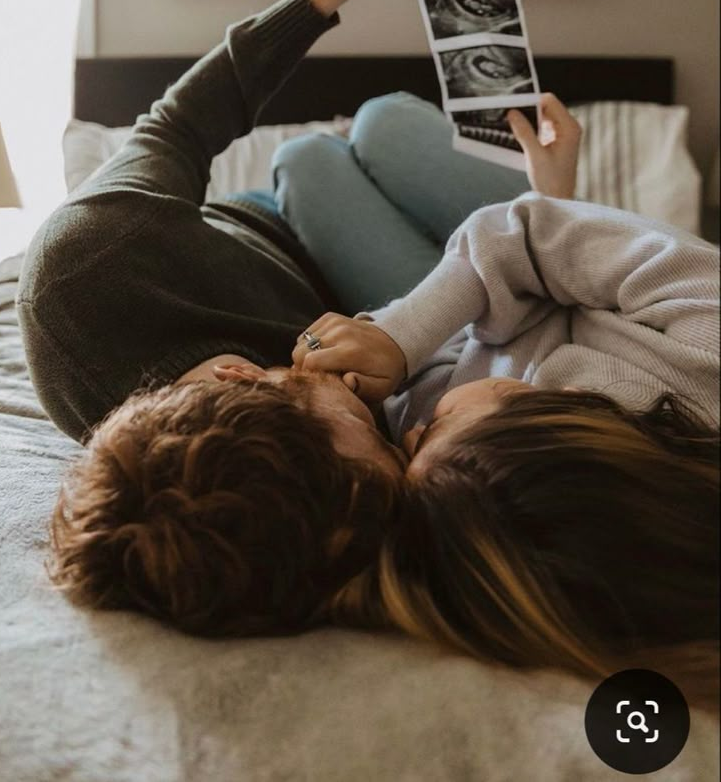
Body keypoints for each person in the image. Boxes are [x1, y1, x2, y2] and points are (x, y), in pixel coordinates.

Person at [18, 0, 418, 638]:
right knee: (390, 141)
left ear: (240, 376)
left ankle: (562, 214)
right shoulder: (271, 491)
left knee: (334, 147)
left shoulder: (91, 265)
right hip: (359, 290)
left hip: (288, 222)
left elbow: (180, 122)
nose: (386, 430)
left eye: (363, 428)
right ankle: (557, 210)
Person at [283, 92, 720, 706]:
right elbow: (528, 234)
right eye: (432, 432)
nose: (409, 437)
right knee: (384, 121)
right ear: (555, 400)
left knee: (304, 165)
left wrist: (375, 361)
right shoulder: (710, 348)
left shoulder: (505, 516)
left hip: (498, 291)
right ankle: (556, 195)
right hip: (531, 243)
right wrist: (397, 337)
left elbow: (429, 379)